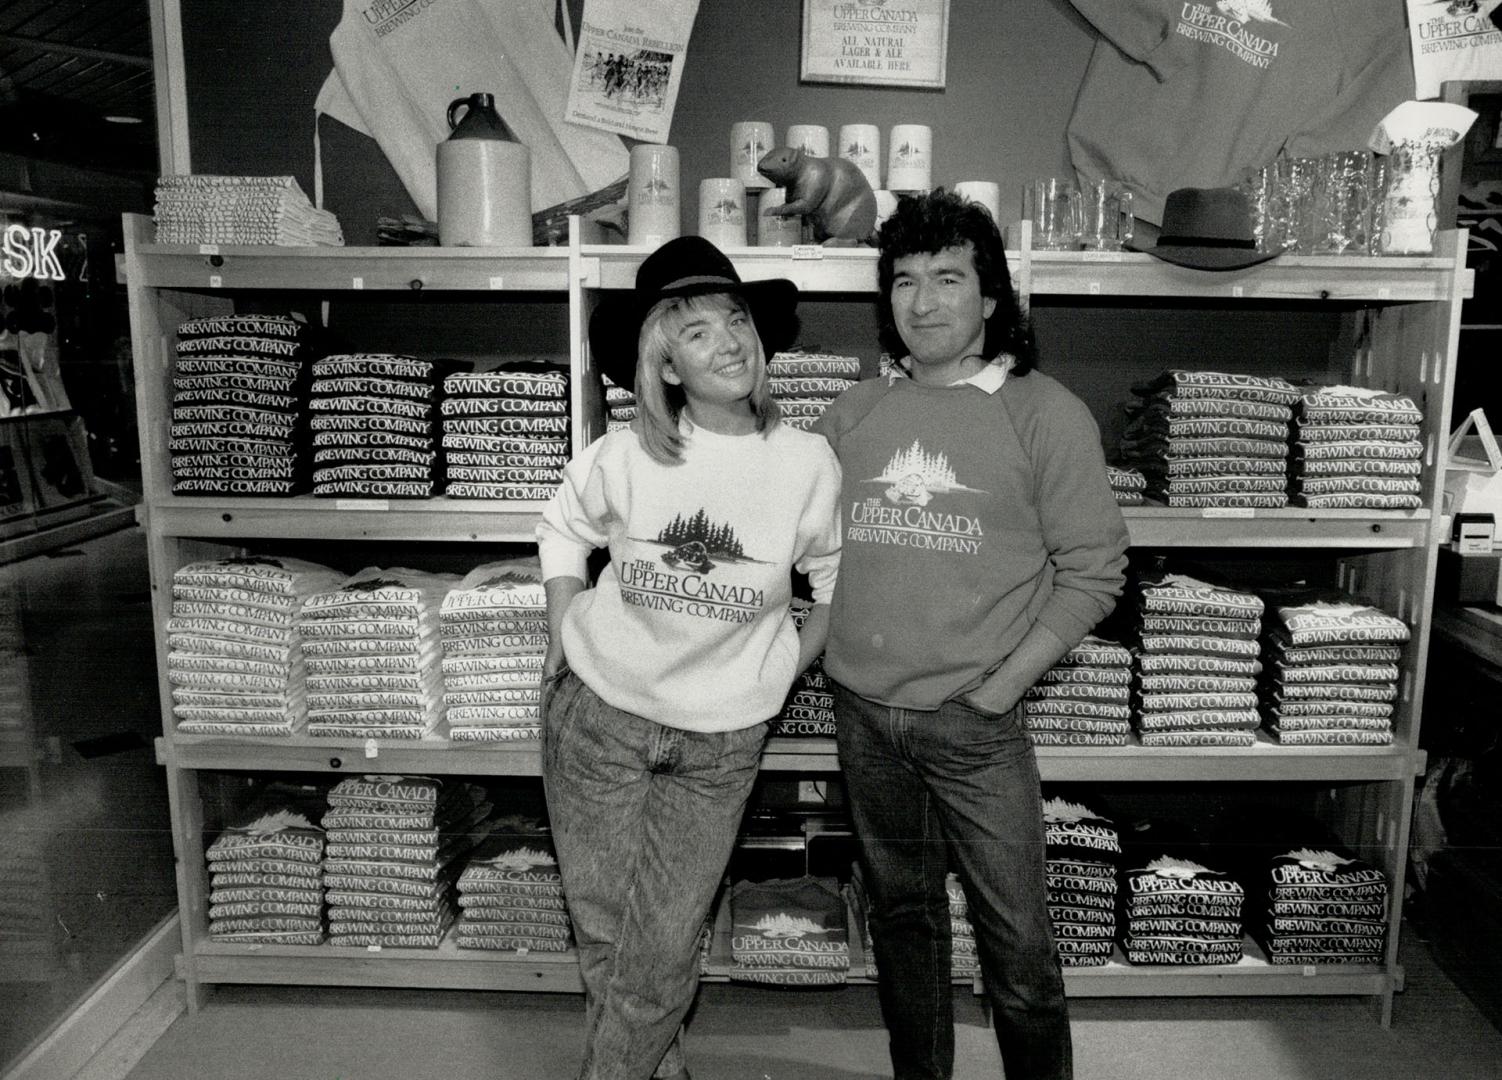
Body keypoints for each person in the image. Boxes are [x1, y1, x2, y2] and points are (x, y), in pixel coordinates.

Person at [816, 189, 1129, 1080]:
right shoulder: (853, 413)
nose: (923, 303)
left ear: (991, 297)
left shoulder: (1044, 412)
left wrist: (1002, 685)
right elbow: (803, 541)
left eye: (948, 278)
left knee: (1019, 949)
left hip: (974, 724)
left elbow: (1096, 570)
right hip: (864, 720)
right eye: (904, 281)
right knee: (902, 924)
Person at [536, 235, 842, 1080]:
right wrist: (566, 629)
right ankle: (656, 1067)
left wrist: (785, 665)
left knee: (663, 948)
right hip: (599, 717)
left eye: (735, 319)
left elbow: (835, 577)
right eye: (697, 330)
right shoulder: (626, 456)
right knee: (604, 933)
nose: (729, 341)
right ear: (664, 364)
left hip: (720, 742)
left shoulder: (806, 463)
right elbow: (562, 528)